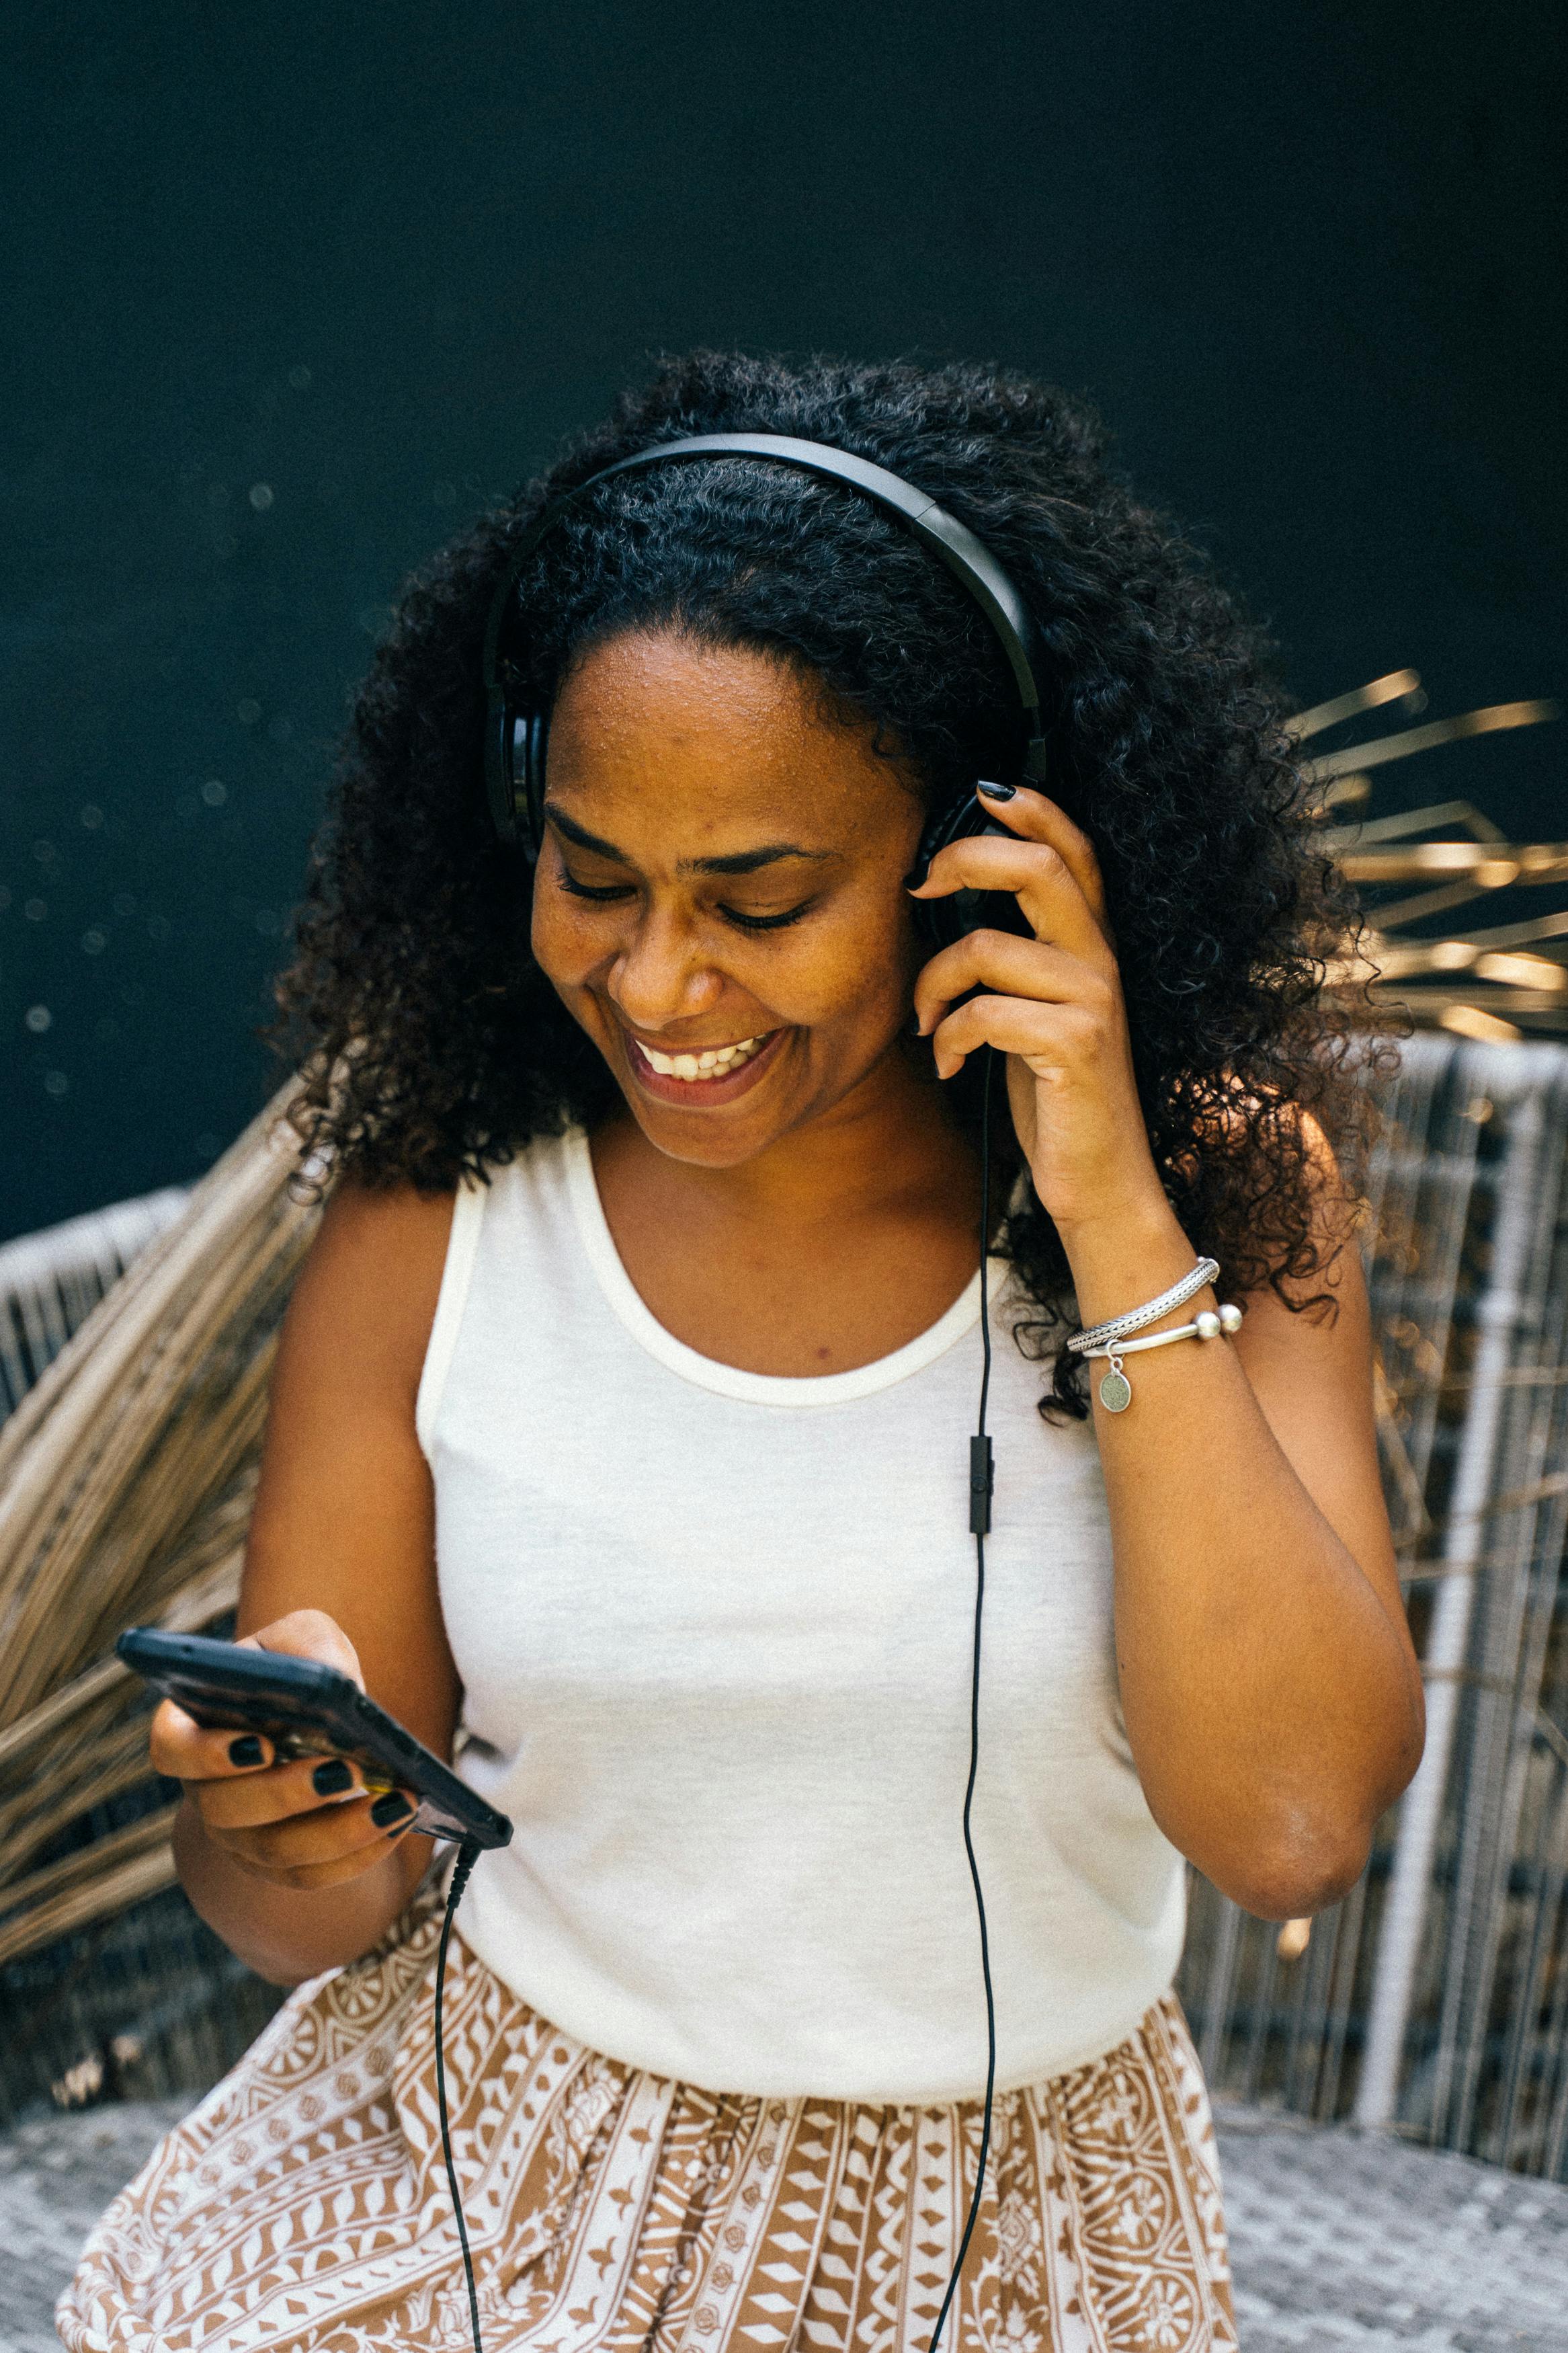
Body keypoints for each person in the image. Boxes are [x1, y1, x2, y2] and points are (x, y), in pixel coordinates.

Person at [60, 351, 1423, 2353]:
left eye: (760, 898)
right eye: (593, 876)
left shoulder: (1219, 1189)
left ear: (979, 860)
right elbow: (302, 1917)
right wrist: (265, 1827)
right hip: (490, 2191)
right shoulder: (444, 1207)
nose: (658, 981)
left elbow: (1290, 1821)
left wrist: (1115, 1201)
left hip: (1015, 2240)